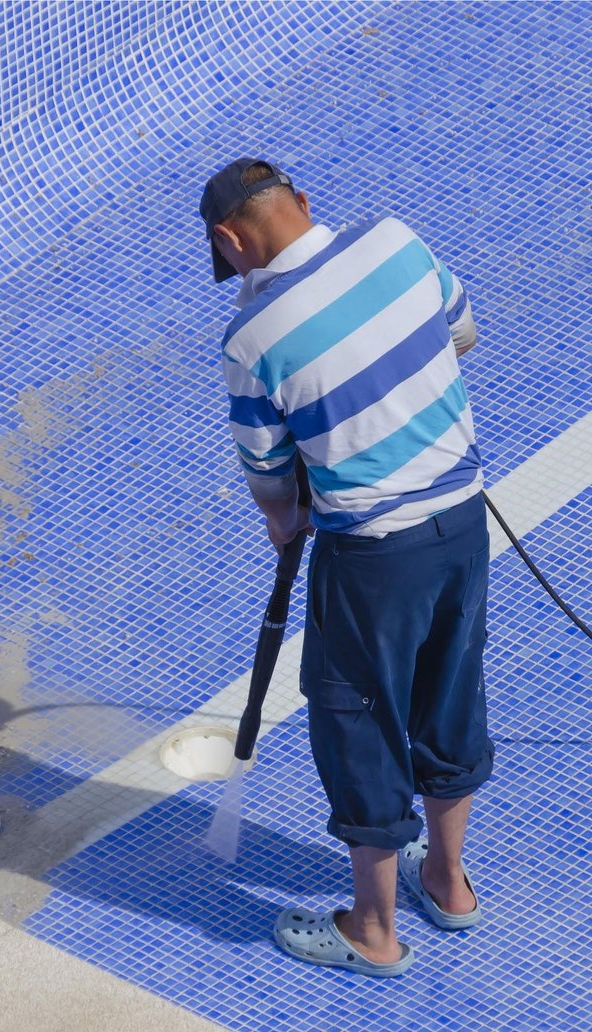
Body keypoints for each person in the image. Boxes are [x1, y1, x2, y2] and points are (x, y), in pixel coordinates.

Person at [199, 157, 494, 976]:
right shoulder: (397, 242)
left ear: (231, 240)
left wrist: (289, 521)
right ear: (300, 201)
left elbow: (272, 482)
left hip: (370, 559)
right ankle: (448, 883)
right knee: (449, 694)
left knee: (357, 721)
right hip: (464, 525)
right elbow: (461, 332)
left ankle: (373, 931)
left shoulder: (250, 339)